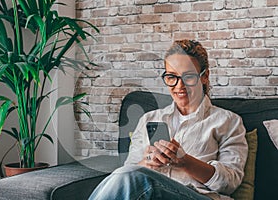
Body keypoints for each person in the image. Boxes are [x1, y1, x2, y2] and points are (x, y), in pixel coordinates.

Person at [89, 39, 248, 200]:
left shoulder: (228, 121)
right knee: (122, 175)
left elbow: (230, 182)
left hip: (199, 196)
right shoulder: (149, 119)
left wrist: (185, 161)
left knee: (134, 178)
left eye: (189, 77)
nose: (179, 86)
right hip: (151, 194)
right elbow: (127, 179)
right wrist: (147, 162)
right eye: (172, 77)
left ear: (204, 76)